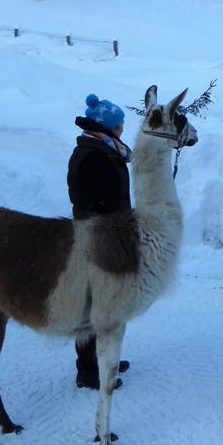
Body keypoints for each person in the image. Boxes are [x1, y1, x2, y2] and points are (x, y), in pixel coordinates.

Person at [66, 94, 132, 389]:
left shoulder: (104, 148)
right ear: (106, 126)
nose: (122, 130)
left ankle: (105, 357)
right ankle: (89, 370)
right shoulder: (93, 154)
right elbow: (92, 202)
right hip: (97, 240)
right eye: (119, 125)